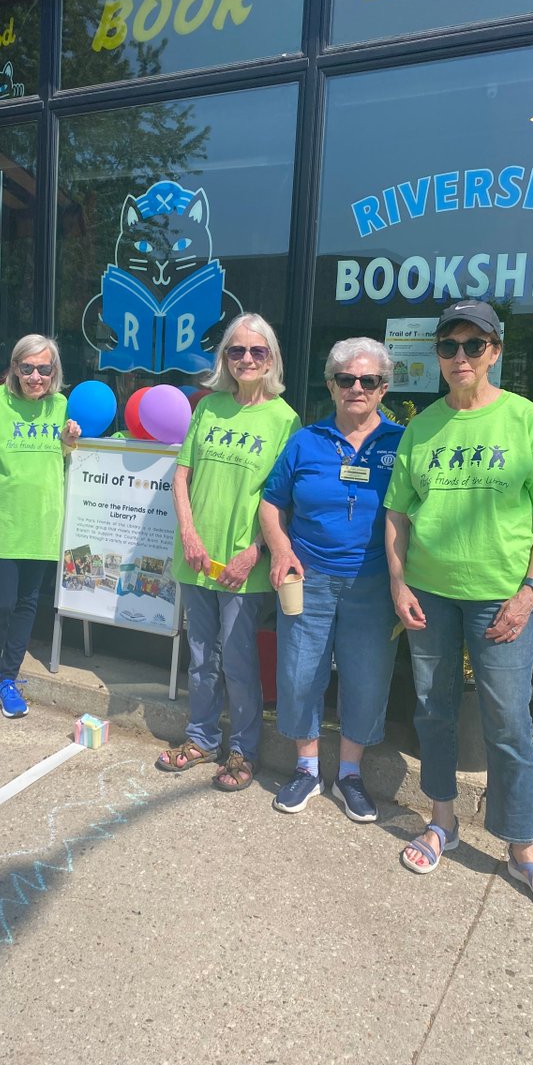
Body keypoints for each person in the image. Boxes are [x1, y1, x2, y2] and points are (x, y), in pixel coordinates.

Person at [385, 300, 533, 921]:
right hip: (430, 591)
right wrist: (399, 582)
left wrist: (529, 591)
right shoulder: (422, 426)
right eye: (448, 346)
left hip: (502, 594)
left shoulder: (526, 420)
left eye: (473, 345)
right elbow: (399, 513)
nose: (459, 357)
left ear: (495, 351)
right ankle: (442, 822)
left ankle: (520, 847)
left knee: (508, 720)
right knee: (433, 708)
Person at [260, 338, 403, 821]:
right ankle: (305, 769)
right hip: (310, 578)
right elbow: (271, 501)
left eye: (368, 381)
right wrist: (281, 551)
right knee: (300, 673)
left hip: (374, 583)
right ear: (331, 385)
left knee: (366, 679)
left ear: (384, 388)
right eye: (346, 379)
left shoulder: (403, 444)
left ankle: (349, 775)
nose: (356, 388)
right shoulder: (306, 440)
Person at [156, 312, 300, 791]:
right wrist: (190, 536)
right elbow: (181, 476)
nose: (246, 359)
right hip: (197, 559)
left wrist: (255, 551)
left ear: (271, 358)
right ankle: (199, 739)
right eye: (236, 350)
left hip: (243, 566)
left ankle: (242, 750)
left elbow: (283, 498)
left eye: (257, 351)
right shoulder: (209, 407)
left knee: (239, 663)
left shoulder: (284, 419)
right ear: (224, 357)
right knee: (201, 657)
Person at [0, 334, 81, 717]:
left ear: (54, 372)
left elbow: (58, 456)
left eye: (44, 369)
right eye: (27, 368)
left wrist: (68, 441)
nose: (36, 377)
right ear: (15, 368)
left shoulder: (60, 404)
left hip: (44, 524)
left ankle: (9, 678)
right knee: (1, 602)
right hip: (6, 522)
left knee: (29, 605)